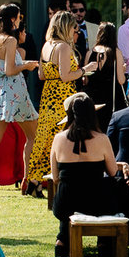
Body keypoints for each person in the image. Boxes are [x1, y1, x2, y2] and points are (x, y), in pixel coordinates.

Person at [47, 94, 129, 251]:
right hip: (96, 201)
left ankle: (63, 239)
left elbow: (55, 177)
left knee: (71, 193)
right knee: (119, 187)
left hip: (66, 201)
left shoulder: (58, 139)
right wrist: (121, 165)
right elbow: (111, 172)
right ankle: (105, 240)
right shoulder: (101, 139)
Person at [0, 3, 40, 190]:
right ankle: (28, 179)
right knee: (33, 135)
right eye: (19, 17)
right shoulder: (10, 40)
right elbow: (11, 69)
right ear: (13, 19)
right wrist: (26, 65)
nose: (20, 21)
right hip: (15, 92)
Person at [28, 11, 91, 187]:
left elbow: (41, 75)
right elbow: (66, 76)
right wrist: (86, 69)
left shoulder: (46, 45)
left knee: (44, 137)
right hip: (62, 95)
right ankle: (57, 175)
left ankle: (35, 178)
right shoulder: (63, 47)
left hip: (48, 94)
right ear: (66, 27)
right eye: (73, 27)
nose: (75, 30)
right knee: (61, 136)